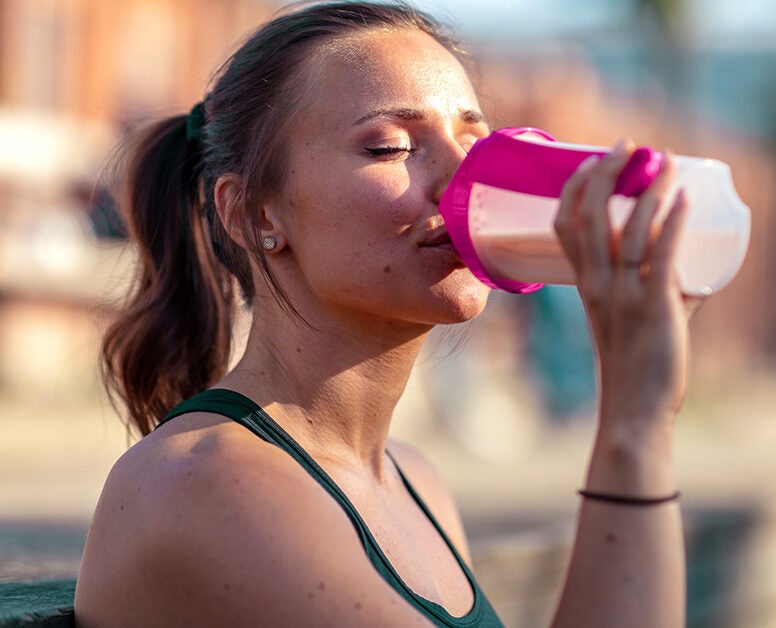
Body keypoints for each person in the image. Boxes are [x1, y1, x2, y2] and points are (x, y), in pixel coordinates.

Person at [74, 2, 697, 626]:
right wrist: (634, 422)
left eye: (477, 144)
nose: (464, 181)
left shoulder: (413, 483)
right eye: (391, 146)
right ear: (255, 214)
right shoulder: (207, 483)